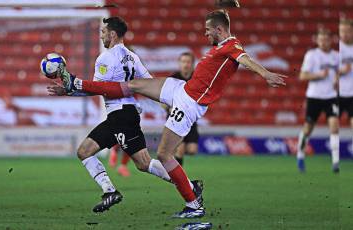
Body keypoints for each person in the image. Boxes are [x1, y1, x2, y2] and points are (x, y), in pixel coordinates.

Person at [60, 10, 287, 217]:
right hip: (180, 89)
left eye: (208, 30)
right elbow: (145, 81)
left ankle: (193, 203)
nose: (205, 33)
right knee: (135, 85)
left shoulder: (231, 46)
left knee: (164, 155)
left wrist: (265, 74)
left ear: (219, 29)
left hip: (189, 102)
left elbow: (244, 59)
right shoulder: (217, 48)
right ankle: (76, 84)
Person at [46, 17, 203, 214]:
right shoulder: (132, 57)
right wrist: (68, 90)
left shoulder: (105, 58)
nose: (101, 35)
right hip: (120, 116)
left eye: (103, 32)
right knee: (85, 151)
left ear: (112, 34)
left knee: (144, 163)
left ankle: (190, 187)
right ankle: (109, 191)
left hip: (121, 115)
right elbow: (149, 82)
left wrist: (72, 86)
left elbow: (99, 88)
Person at [296, 28, 340, 173]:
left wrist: (338, 80)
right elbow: (302, 76)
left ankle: (335, 162)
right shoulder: (312, 55)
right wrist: (319, 75)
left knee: (334, 126)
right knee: (308, 128)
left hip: (331, 97)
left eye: (325, 40)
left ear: (330, 40)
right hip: (314, 96)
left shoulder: (336, 56)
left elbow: (341, 75)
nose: (323, 42)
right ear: (317, 40)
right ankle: (300, 155)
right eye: (320, 40)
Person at [166, 52, 200, 166]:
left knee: (192, 150)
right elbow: (162, 99)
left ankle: (172, 158)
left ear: (193, 64)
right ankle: (180, 180)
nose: (186, 64)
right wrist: (169, 108)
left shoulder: (197, 79)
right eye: (183, 62)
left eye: (188, 62)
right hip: (176, 118)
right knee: (180, 149)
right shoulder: (173, 79)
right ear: (179, 63)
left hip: (190, 119)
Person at [339, 18, 353, 150]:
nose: (345, 34)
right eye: (342, 31)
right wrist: (341, 71)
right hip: (338, 93)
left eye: (347, 31)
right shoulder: (336, 50)